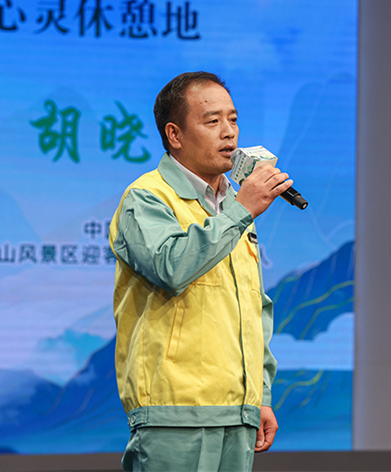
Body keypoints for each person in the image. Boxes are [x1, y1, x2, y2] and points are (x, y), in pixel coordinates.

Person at [109, 71, 292, 471]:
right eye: (212, 122)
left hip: (236, 412)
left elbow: (253, 306)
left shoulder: (233, 207)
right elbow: (171, 266)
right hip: (175, 414)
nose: (229, 133)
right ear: (174, 135)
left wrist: (259, 395)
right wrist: (241, 209)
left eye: (233, 119)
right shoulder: (148, 197)